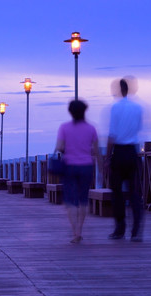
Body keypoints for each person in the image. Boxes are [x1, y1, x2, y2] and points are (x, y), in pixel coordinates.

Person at [55, 100, 100, 244]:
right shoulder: (91, 128)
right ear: (84, 111)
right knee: (83, 200)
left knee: (70, 201)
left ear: (70, 112)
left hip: (69, 166)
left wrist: (69, 149)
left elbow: (59, 147)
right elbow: (97, 150)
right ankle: (80, 229)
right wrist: (100, 169)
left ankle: (75, 232)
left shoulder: (64, 128)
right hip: (86, 165)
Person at [106, 78, 143, 241]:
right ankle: (136, 231)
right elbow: (139, 129)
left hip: (119, 152)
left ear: (119, 90)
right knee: (135, 192)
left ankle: (120, 229)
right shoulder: (137, 108)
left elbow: (112, 134)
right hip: (132, 151)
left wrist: (107, 157)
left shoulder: (115, 108)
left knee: (117, 193)